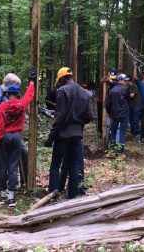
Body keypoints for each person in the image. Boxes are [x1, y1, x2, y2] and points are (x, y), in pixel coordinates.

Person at [44, 67, 93, 199]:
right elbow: (89, 116)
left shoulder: (62, 91)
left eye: (58, 81)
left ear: (62, 79)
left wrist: (50, 138)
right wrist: (78, 124)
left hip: (63, 135)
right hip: (77, 135)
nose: (58, 84)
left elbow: (59, 117)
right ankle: (72, 197)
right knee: (74, 166)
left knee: (55, 165)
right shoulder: (85, 93)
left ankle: (52, 197)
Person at [0, 67, 37, 207]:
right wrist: (31, 82)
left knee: (3, 166)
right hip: (16, 137)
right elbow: (29, 96)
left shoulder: (2, 107)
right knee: (13, 166)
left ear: (7, 94)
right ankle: (12, 198)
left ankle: (3, 196)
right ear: (17, 94)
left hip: (5, 137)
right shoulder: (21, 105)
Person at [0, 73, 29, 197]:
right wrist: (1, 95)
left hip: (10, 129)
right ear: (8, 84)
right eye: (15, 86)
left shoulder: (12, 95)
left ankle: (25, 183)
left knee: (24, 151)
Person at [106, 74, 130, 154]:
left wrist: (109, 112)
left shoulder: (112, 90)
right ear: (120, 80)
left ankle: (112, 147)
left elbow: (108, 104)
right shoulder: (126, 89)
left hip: (114, 114)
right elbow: (128, 99)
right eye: (124, 80)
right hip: (124, 114)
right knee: (122, 131)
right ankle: (121, 149)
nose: (126, 82)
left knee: (113, 131)